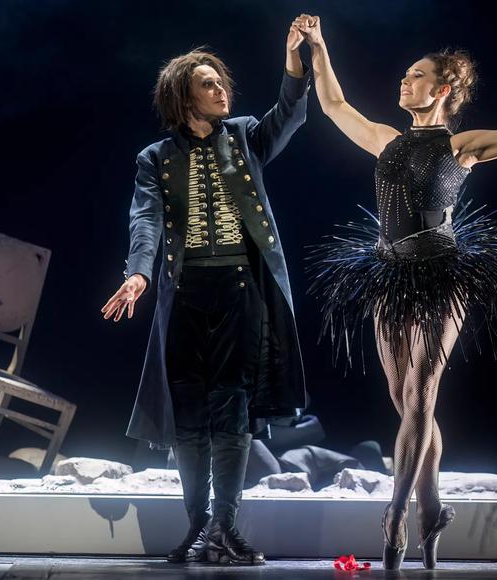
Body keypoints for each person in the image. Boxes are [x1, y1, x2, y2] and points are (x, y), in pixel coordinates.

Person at [295, 14, 497, 570]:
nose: (404, 81)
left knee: (422, 394)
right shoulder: (386, 140)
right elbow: (333, 104)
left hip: (440, 274)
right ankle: (431, 506)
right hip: (388, 272)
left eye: (417, 75)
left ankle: (396, 512)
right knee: (401, 397)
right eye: (405, 75)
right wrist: (319, 44)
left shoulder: (462, 146)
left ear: (443, 89)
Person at [100, 23, 311, 565]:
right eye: (208, 84)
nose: (221, 90)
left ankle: (225, 526)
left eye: (221, 82)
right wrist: (138, 274)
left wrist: (293, 60)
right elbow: (146, 221)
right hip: (186, 295)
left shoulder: (244, 136)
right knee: (190, 416)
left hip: (241, 292)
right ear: (183, 96)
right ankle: (198, 525)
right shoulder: (155, 157)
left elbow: (289, 114)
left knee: (232, 410)